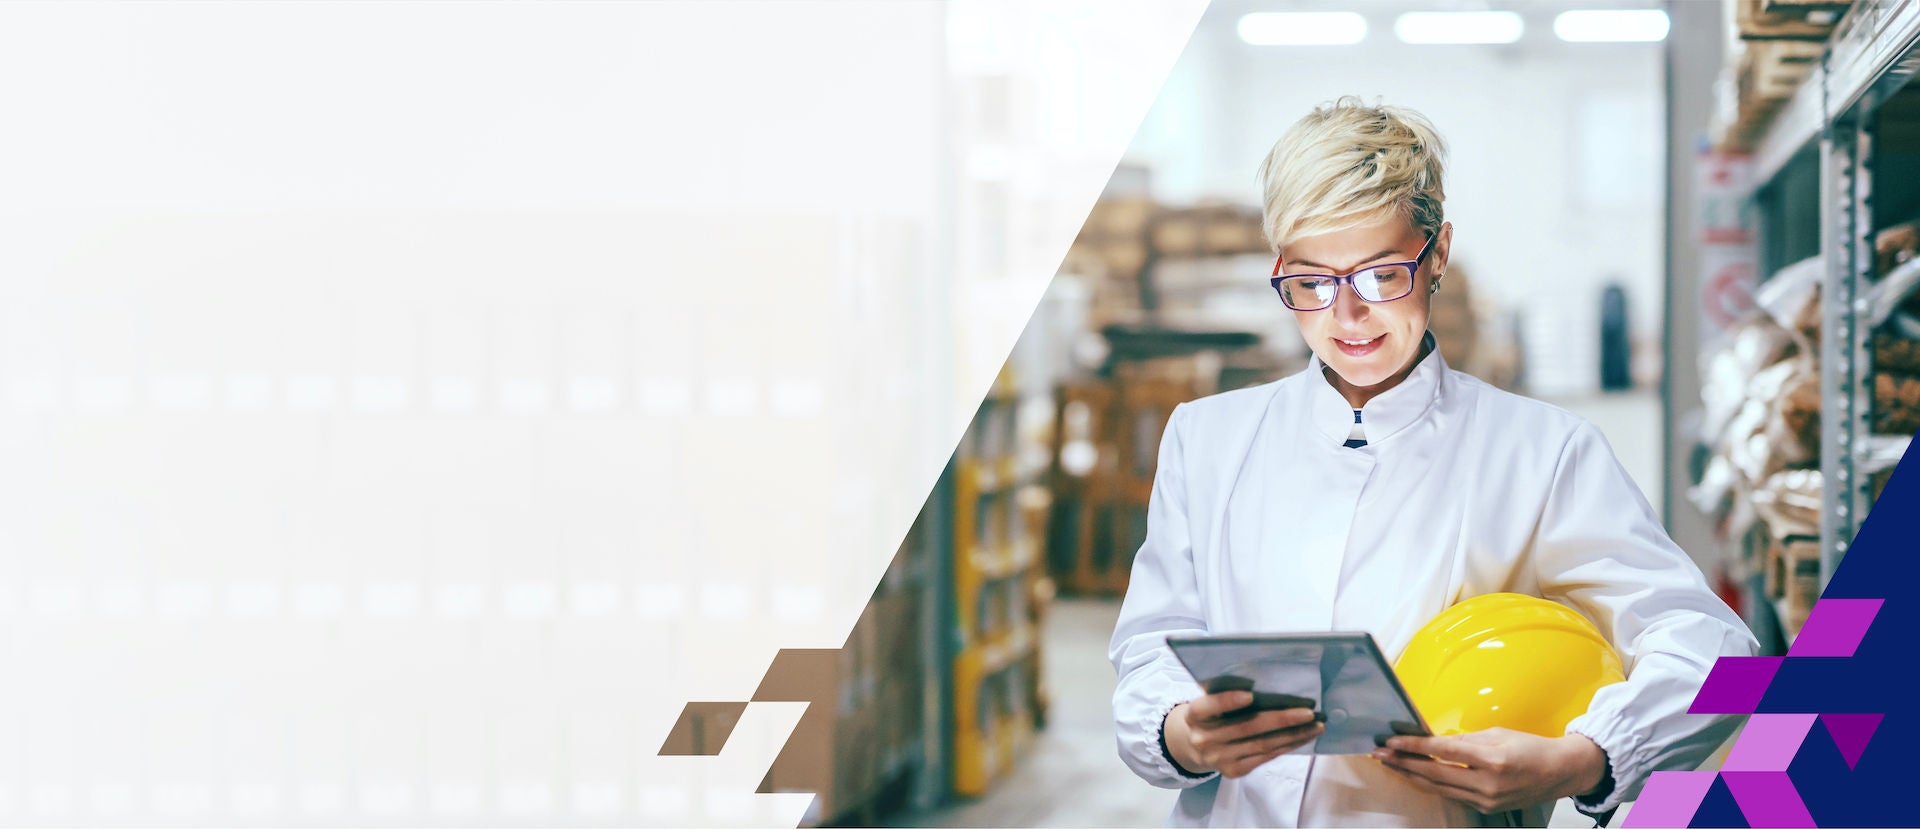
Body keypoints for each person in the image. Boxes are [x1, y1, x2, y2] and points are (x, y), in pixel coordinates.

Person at [1108, 97, 1756, 828]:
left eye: (1381, 275)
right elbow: (1150, 648)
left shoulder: (1542, 451)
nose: (1347, 316)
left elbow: (1715, 651)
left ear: (1437, 252)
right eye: (1312, 282)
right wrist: (1178, 732)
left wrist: (1588, 757)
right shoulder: (1207, 437)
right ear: (1281, 268)